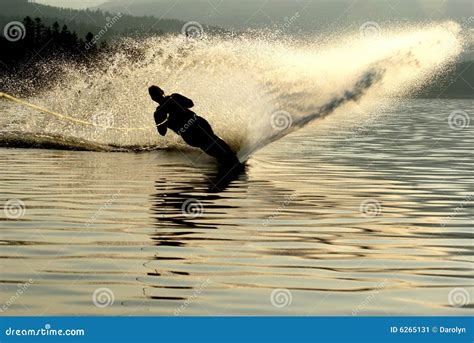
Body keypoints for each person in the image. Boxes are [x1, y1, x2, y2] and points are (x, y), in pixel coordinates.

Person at [148, 86, 241, 167]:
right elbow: (162, 133)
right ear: (152, 98)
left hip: (197, 123)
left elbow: (191, 103)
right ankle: (226, 161)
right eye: (154, 95)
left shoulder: (174, 97)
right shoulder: (158, 114)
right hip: (187, 133)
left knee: (212, 139)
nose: (156, 96)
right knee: (207, 146)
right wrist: (164, 122)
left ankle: (232, 157)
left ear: (162, 91)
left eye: (157, 92)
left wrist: (177, 104)